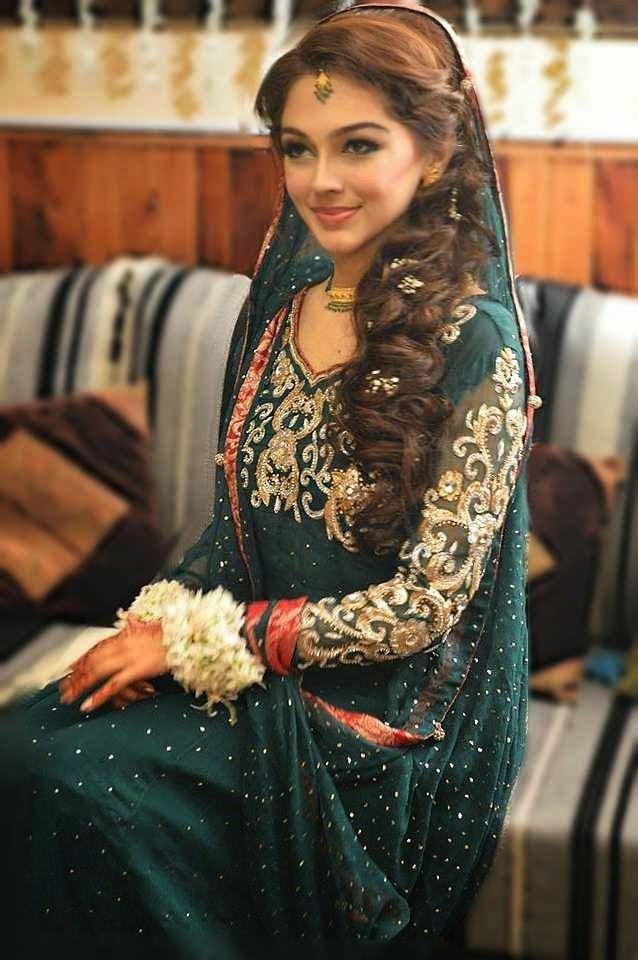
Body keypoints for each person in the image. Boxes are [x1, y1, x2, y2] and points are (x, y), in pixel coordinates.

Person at [0, 1, 540, 956]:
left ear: (434, 155)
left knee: (80, 786)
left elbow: (424, 609)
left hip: (374, 722)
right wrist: (156, 623)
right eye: (297, 149)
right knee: (27, 739)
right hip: (250, 672)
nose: (320, 181)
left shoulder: (476, 342)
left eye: (358, 145)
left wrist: (204, 643)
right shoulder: (281, 316)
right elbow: (238, 527)